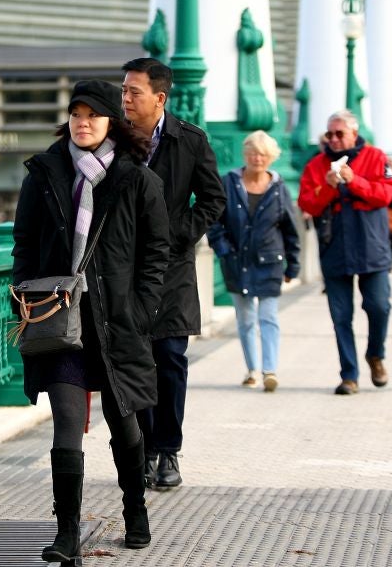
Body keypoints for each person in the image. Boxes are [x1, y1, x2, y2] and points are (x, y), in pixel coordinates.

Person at [11, 79, 170, 564]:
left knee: (124, 426)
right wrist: (24, 291)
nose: (83, 123)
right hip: (59, 319)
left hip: (116, 323)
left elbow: (155, 254)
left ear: (111, 124)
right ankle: (66, 533)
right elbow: (23, 243)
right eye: (76, 114)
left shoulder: (136, 179)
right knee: (64, 423)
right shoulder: (43, 175)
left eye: (93, 115)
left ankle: (135, 508)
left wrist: (140, 311)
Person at [120, 57, 226, 489]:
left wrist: (176, 235)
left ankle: (168, 450)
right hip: (124, 271)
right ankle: (140, 450)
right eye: (123, 90)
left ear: (159, 97)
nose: (124, 98)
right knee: (135, 362)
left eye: (133, 92)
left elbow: (213, 200)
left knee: (169, 361)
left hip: (172, 270)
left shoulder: (191, 141)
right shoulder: (113, 140)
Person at [297, 109, 392, 395]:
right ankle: (349, 375)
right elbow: (308, 203)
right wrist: (329, 187)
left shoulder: (377, 157)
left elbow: (387, 193)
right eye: (330, 134)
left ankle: (375, 355)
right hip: (335, 247)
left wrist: (354, 180)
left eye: (339, 133)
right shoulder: (316, 164)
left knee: (379, 306)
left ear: (354, 133)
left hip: (371, 245)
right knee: (341, 315)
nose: (334, 139)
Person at [206, 131, 300, 392]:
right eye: (252, 153)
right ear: (245, 155)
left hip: (269, 261)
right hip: (237, 260)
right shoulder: (229, 183)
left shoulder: (279, 188)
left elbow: (290, 229)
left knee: (268, 316)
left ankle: (270, 369)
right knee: (245, 318)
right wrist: (224, 250)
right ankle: (252, 370)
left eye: (262, 154)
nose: (257, 158)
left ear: (270, 158)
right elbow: (215, 222)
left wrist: (293, 264)